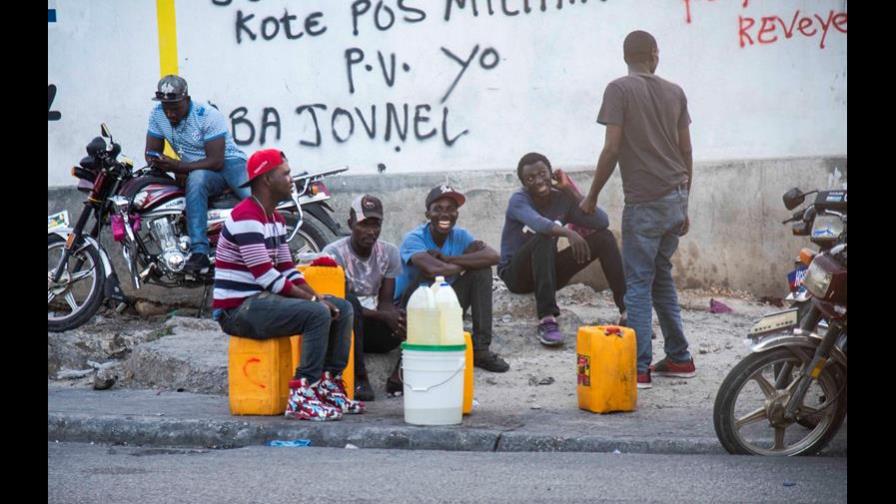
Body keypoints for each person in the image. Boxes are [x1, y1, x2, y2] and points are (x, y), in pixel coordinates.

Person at [579, 30, 696, 389]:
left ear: (625, 56)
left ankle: (640, 367)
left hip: (644, 203)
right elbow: (686, 150)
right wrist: (685, 201)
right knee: (660, 275)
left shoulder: (619, 89)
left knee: (639, 285)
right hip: (675, 196)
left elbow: (612, 149)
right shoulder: (675, 91)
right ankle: (679, 357)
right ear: (654, 55)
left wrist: (592, 195)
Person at [212, 148, 363, 420]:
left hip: (262, 302)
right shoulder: (246, 216)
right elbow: (266, 276)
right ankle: (302, 393)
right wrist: (316, 303)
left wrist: (318, 296)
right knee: (316, 313)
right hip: (237, 310)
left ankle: (328, 384)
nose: (291, 179)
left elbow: (287, 271)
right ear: (267, 179)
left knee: (343, 307)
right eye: (286, 174)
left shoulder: (276, 219)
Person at [499, 152, 627, 347]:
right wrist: (569, 234)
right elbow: (540, 224)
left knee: (605, 238)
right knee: (544, 236)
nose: (538, 181)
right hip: (517, 275)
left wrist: (570, 191)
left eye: (543, 174)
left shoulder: (561, 199)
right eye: (530, 178)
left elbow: (601, 221)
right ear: (524, 183)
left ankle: (627, 312)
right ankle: (547, 320)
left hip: (547, 273)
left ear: (552, 174)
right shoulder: (519, 200)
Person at [394, 185, 509, 373]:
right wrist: (466, 262)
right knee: (434, 276)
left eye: (450, 209)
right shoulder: (414, 238)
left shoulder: (461, 235)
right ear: (427, 214)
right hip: (414, 311)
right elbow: (433, 270)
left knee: (482, 272)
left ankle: (480, 349)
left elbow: (494, 257)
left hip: (447, 306)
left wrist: (449, 259)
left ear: (457, 213)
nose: (445, 214)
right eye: (438, 209)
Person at [145, 74, 250, 274]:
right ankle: (200, 253)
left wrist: (179, 166)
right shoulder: (157, 115)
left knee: (253, 199)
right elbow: (151, 153)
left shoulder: (206, 115)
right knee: (196, 179)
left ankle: (275, 238)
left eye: (175, 107)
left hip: (229, 162)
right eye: (166, 107)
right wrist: (161, 163)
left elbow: (216, 161)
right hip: (196, 170)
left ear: (187, 99)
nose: (170, 113)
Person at [323, 195, 405, 401]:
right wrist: (384, 317)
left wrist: (395, 317)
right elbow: (337, 304)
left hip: (373, 328)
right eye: (363, 224)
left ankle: (400, 375)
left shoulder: (389, 252)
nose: (370, 231)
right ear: (351, 223)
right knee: (350, 302)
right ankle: (360, 377)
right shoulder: (333, 254)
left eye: (375, 224)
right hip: (343, 327)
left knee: (415, 307)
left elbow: (385, 302)